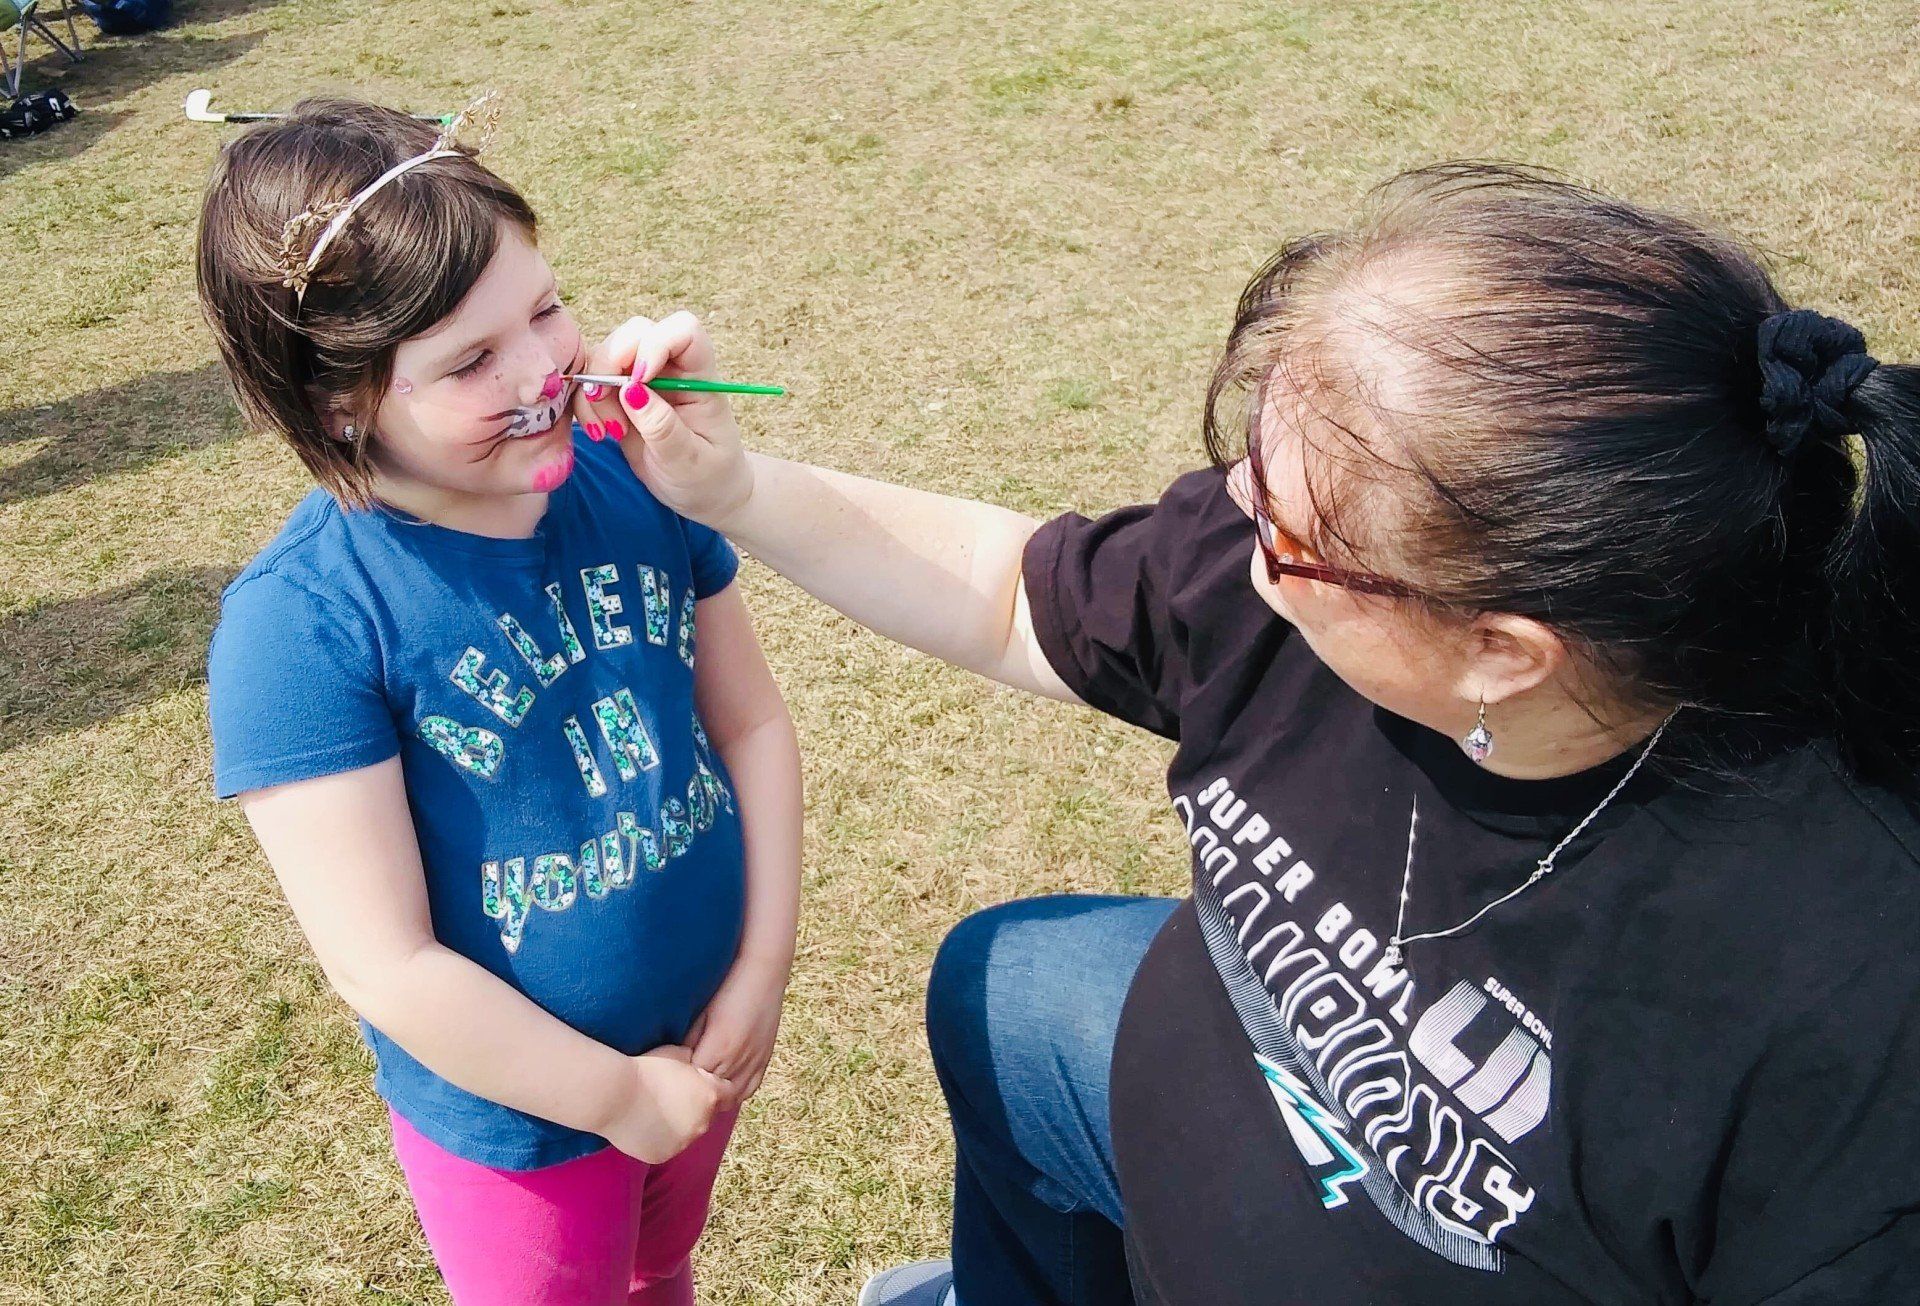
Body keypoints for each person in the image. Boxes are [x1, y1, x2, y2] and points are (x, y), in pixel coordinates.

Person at [573, 164, 1920, 1303]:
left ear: (1501, 650)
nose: (1235, 535)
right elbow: (1003, 594)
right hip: (1191, 1111)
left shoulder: (1842, 1007)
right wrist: (733, 485)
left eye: (1283, 530)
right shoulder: (1332, 540)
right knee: (1007, 989)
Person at [197, 98, 803, 1306]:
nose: (543, 371)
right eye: (470, 361)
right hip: (522, 1131)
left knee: (661, 1272)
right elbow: (388, 964)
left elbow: (752, 724)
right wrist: (619, 1098)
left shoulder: (639, 484)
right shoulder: (299, 627)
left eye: (544, 309)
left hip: (705, 1044)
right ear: (340, 403)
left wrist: (760, 970)